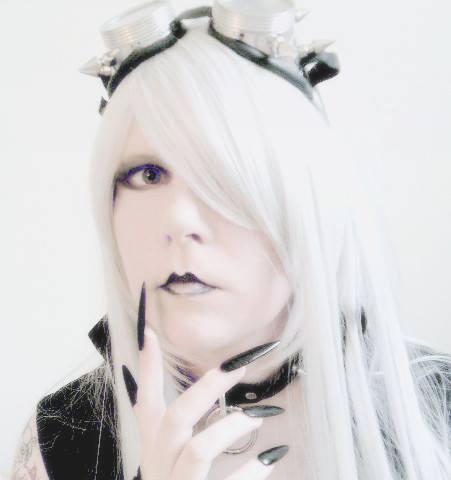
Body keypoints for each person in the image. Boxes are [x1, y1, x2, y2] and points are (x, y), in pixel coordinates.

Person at [10, 1, 451, 479]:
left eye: (221, 174)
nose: (179, 220)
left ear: (310, 204)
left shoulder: (437, 407)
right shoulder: (61, 438)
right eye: (148, 174)